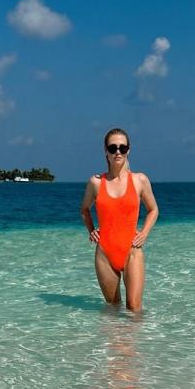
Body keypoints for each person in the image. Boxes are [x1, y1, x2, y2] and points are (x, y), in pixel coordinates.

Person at [80, 128, 159, 311]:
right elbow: (84, 209)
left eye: (122, 148)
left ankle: (135, 341)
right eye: (113, 148)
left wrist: (145, 233)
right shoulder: (96, 183)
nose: (118, 152)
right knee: (112, 309)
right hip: (105, 254)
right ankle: (116, 341)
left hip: (132, 250)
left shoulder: (140, 180)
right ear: (105, 151)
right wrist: (91, 230)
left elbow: (153, 210)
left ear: (128, 150)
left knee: (134, 309)